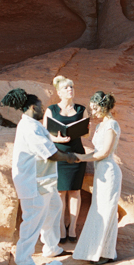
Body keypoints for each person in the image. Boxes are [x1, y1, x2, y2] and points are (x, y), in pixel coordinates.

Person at [0, 88, 81, 265]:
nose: (42, 109)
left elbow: (46, 144)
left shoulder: (32, 125)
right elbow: (50, 154)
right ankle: (24, 261)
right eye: (39, 106)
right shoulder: (29, 127)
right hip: (33, 181)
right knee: (32, 220)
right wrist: (69, 157)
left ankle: (51, 247)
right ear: (30, 107)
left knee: (54, 208)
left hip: (44, 179)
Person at [73, 91, 121, 265]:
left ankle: (105, 252)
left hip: (109, 171)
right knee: (99, 209)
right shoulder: (101, 126)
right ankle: (98, 251)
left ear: (103, 106)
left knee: (107, 210)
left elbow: (105, 152)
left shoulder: (112, 125)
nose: (92, 112)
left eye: (95, 108)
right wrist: (81, 155)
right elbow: (97, 151)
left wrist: (82, 158)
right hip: (101, 172)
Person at [43, 76, 88, 243]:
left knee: (75, 191)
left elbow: (86, 132)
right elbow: (45, 133)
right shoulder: (51, 110)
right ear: (59, 92)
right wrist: (57, 140)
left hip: (76, 153)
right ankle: (61, 227)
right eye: (67, 88)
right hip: (59, 154)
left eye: (72, 87)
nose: (70, 90)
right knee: (60, 192)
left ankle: (73, 228)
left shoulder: (81, 109)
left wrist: (84, 130)